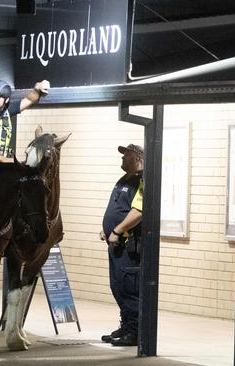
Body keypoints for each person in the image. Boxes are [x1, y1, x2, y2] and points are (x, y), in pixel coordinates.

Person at [99, 144, 144, 347]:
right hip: (116, 243)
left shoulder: (142, 180)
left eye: (126, 155)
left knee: (129, 288)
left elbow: (138, 212)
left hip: (129, 245)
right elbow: (119, 208)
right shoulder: (123, 179)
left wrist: (117, 231)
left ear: (137, 157)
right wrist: (107, 229)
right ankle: (126, 326)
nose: (122, 158)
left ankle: (135, 332)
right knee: (117, 286)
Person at [0, 79, 50, 163]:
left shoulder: (6, 110)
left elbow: (29, 100)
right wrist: (4, 160)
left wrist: (37, 89)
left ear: (6, 99)